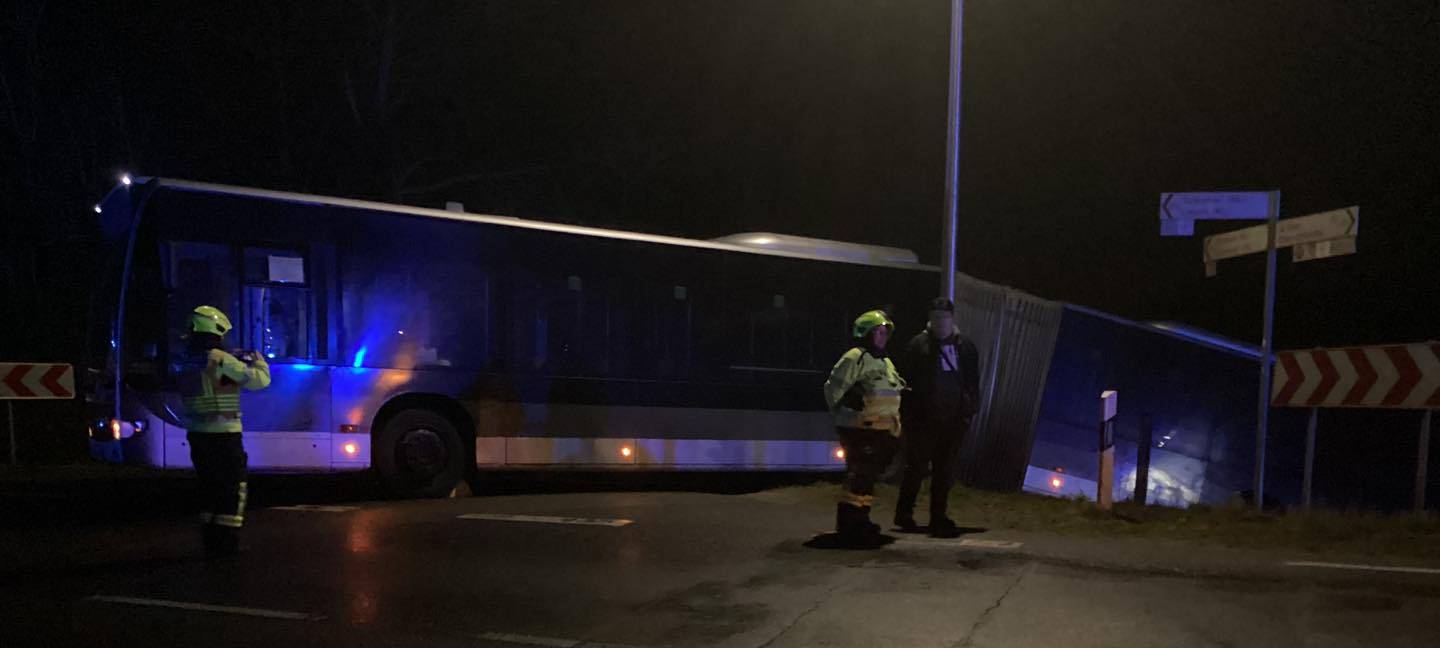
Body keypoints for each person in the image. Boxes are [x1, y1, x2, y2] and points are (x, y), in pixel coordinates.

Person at [175, 305, 271, 557]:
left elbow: (213, 385)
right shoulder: (220, 359)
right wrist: (258, 361)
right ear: (215, 330)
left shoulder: (188, 362)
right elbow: (259, 382)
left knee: (208, 487)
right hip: (224, 434)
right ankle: (227, 544)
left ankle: (211, 540)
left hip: (197, 434)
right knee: (232, 487)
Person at [894, 297, 980, 537]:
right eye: (936, 318)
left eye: (943, 318)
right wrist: (908, 415)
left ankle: (937, 516)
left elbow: (972, 382)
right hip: (922, 421)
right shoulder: (918, 346)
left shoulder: (964, 347)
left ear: (952, 319)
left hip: (952, 421)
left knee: (944, 471)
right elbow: (905, 382)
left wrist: (968, 413)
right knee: (916, 468)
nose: (940, 322)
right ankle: (904, 513)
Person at [823, 309, 907, 547]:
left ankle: (860, 520)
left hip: (880, 431)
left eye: (885, 333)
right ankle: (850, 525)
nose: (882, 337)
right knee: (859, 477)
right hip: (858, 429)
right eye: (878, 332)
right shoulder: (854, 357)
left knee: (866, 479)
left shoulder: (885, 361)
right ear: (866, 333)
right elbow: (832, 389)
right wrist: (846, 402)